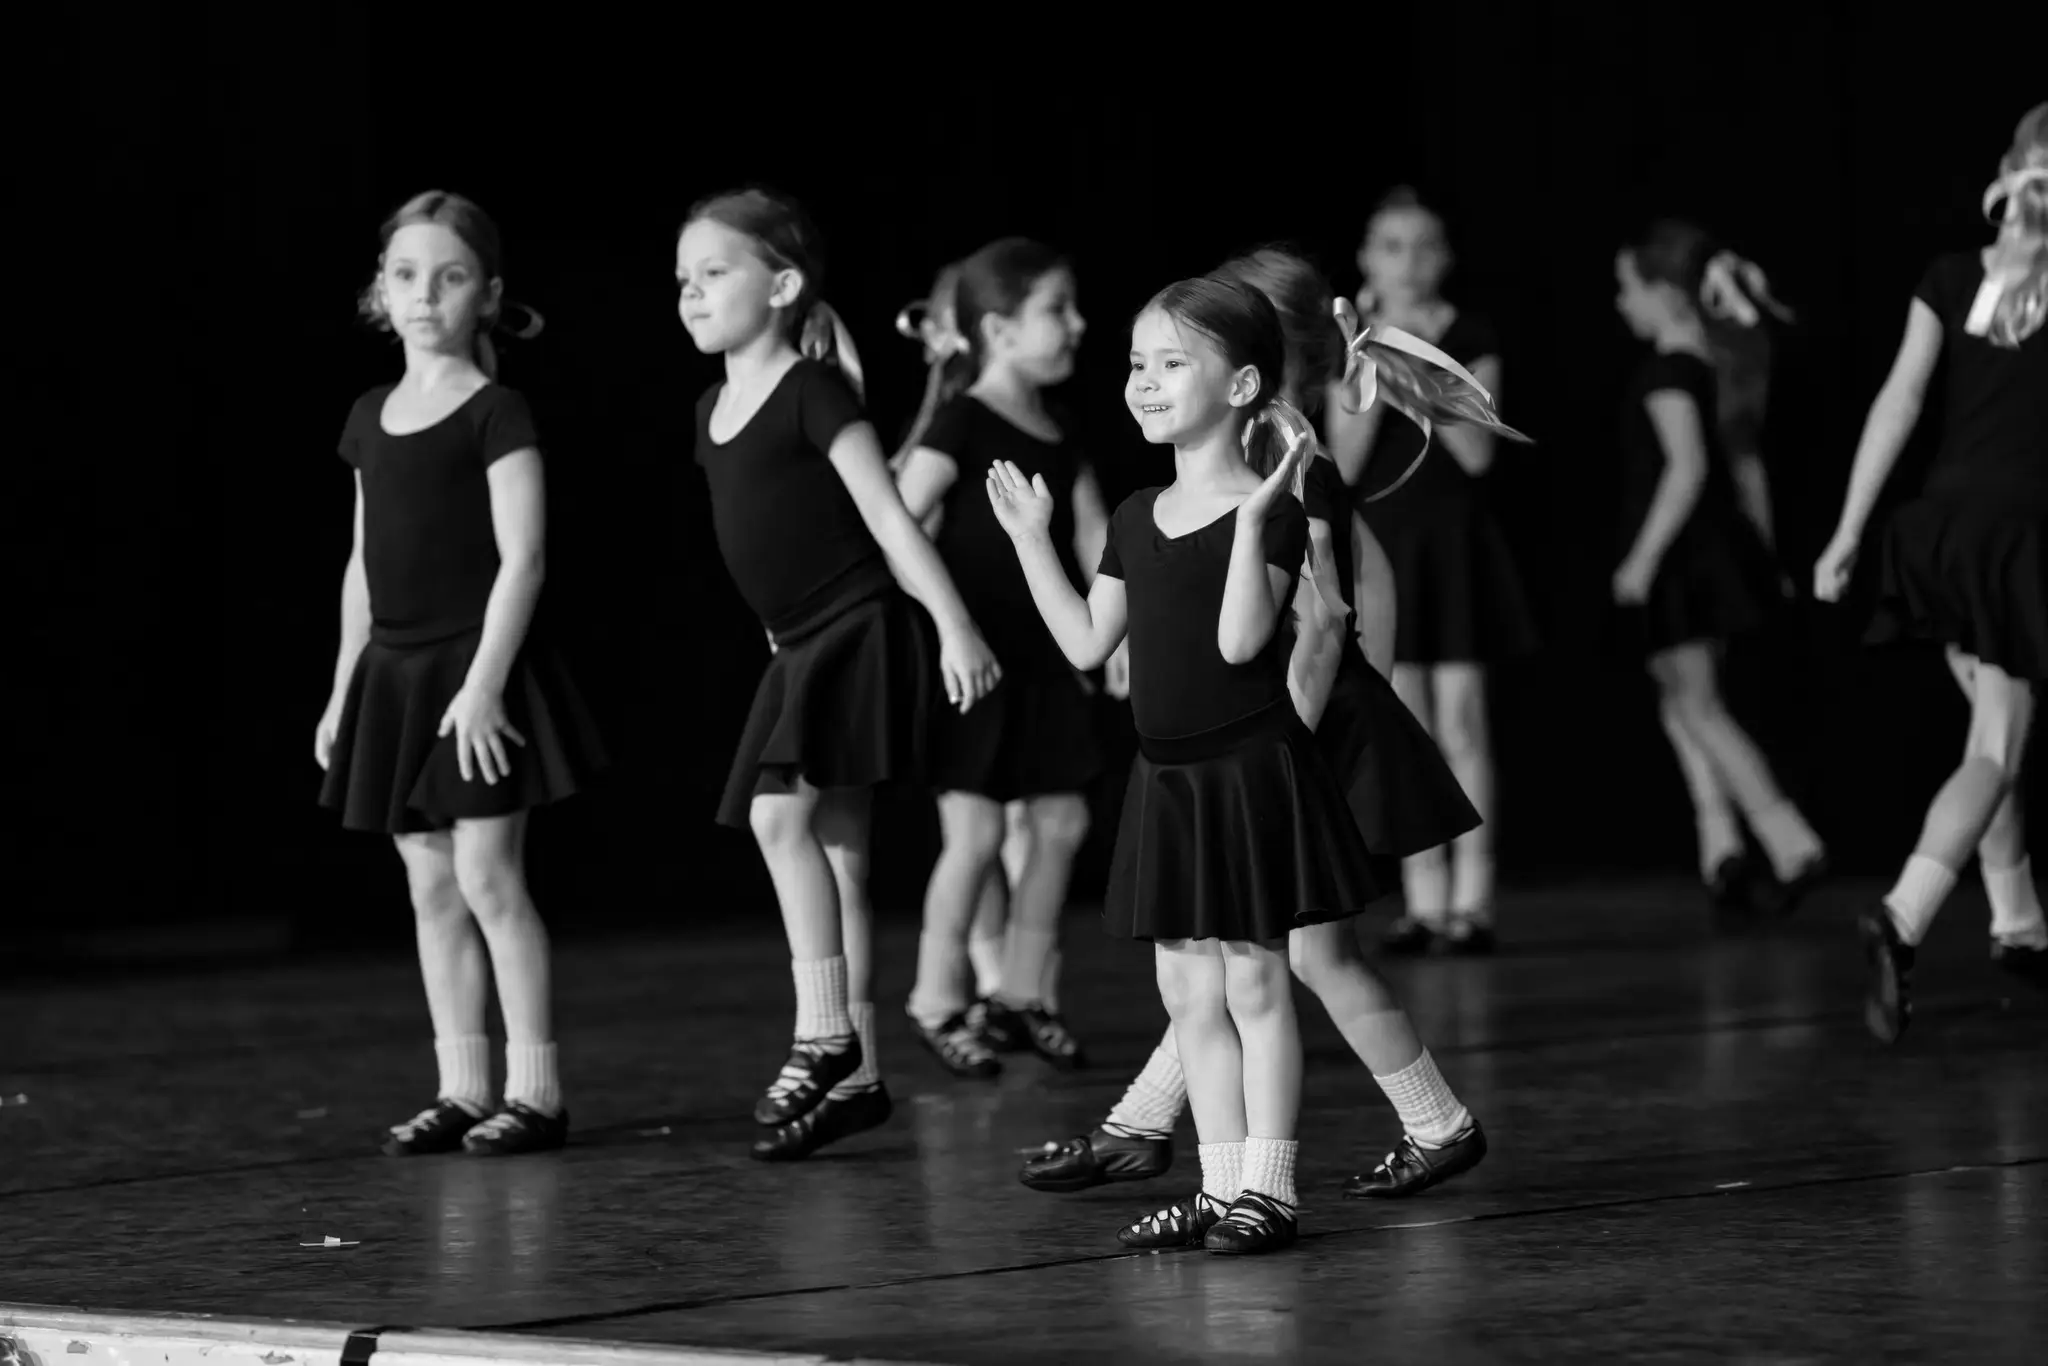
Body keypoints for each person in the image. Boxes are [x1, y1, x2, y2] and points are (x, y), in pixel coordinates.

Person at [1018, 248, 1490, 1204]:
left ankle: (1412, 1126)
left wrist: (1302, 748)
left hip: (1294, 735)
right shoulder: (1253, 466)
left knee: (1278, 952)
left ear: (1254, 367)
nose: (1153, 377)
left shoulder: (1285, 470)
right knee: (1247, 952)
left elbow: (1334, 619)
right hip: (1269, 734)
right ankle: (1151, 1124)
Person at [678, 187, 1000, 1157]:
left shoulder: (814, 392)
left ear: (780, 285)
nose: (691, 295)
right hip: (798, 644)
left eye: (713, 273)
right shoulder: (708, 408)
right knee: (841, 857)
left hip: (854, 628)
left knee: (781, 817)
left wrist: (953, 625)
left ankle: (824, 1032)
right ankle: (857, 1081)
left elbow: (888, 519)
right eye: (681, 280)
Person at [317, 190, 605, 1158]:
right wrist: (342, 686)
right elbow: (362, 561)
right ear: (378, 294)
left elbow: (522, 558)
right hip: (394, 677)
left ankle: (536, 1090)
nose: (424, 295)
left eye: (447, 276)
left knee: (488, 875)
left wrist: (483, 684)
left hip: (475, 669)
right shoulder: (369, 414)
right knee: (429, 885)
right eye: (405, 276)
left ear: (486, 293)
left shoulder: (495, 410)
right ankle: (462, 1083)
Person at [1814, 104, 2048, 1041]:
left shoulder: (1952, 277)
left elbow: (1898, 403)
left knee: (1995, 740)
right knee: (1998, 745)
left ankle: (2020, 924)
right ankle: (1904, 915)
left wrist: (1846, 533)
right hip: (2018, 538)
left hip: (1939, 533)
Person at [892, 239, 1105, 1076]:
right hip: (978, 661)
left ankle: (1021, 993)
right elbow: (899, 521)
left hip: (1048, 660)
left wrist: (1105, 634)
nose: (1076, 324)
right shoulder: (964, 420)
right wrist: (950, 627)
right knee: (975, 834)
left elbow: (1090, 533)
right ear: (999, 329)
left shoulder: (1057, 426)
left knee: (1061, 820)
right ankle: (937, 1001)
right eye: (1057, 309)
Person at [1326, 189, 1537, 955]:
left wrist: (1414, 359)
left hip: (1452, 543)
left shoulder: (1470, 334)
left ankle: (1472, 901)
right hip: (1384, 545)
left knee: (1464, 722)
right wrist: (1372, 354)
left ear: (1443, 257)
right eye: (1391, 246)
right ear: (1367, 256)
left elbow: (1479, 452)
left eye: (1422, 247)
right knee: (1402, 726)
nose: (1407, 263)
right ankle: (1422, 899)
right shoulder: (1349, 337)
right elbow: (1342, 460)